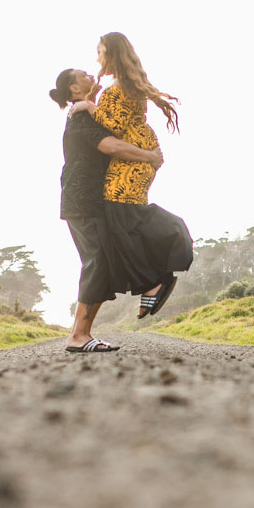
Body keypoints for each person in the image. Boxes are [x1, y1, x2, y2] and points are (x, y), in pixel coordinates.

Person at [54, 65, 160, 353]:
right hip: (82, 200)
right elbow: (112, 146)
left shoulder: (88, 110)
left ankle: (83, 333)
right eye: (84, 75)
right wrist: (149, 155)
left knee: (104, 260)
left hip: (91, 200)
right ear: (74, 89)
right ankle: (78, 336)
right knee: (96, 261)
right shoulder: (81, 115)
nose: (92, 75)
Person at [89, 32, 194, 319]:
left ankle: (158, 273)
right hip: (140, 156)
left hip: (132, 159)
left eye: (99, 52)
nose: (96, 58)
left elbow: (112, 127)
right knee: (125, 218)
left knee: (122, 217)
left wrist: (87, 106)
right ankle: (153, 281)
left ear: (110, 53)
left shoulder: (115, 89)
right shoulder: (126, 85)